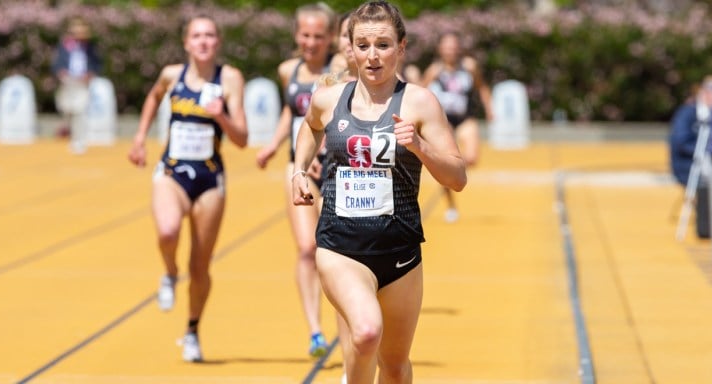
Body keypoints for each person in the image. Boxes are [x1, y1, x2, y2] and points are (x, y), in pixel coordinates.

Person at [292, 1, 467, 382]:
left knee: (395, 365)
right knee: (366, 331)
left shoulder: (419, 102)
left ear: (401, 48)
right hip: (341, 247)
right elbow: (310, 125)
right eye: (364, 45)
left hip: (401, 254)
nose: (372, 56)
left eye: (383, 45)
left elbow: (457, 177)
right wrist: (299, 169)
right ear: (350, 48)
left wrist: (421, 146)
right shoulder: (330, 97)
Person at [127, 15, 248, 362]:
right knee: (167, 231)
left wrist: (221, 115)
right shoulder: (171, 75)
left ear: (218, 41)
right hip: (172, 170)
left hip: (210, 178)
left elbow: (242, 138)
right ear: (186, 42)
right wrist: (139, 138)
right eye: (197, 35)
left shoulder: (230, 78)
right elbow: (153, 98)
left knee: (201, 265)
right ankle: (168, 273)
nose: (203, 41)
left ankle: (192, 330)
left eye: (210, 35)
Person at [254, 2, 337, 358]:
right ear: (296, 34)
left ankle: (346, 323)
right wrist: (273, 145)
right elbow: (291, 110)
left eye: (319, 35)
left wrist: (322, 153)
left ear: (331, 37)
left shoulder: (341, 69)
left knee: (334, 251)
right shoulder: (288, 70)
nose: (311, 42)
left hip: (333, 168)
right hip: (298, 168)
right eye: (305, 34)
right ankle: (315, 331)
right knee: (306, 248)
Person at [421, 31, 492, 223]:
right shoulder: (434, 70)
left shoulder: (469, 67)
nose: (450, 50)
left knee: (472, 158)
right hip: (444, 121)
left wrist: (489, 108)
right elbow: (419, 92)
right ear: (440, 49)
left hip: (465, 117)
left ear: (459, 48)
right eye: (446, 46)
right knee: (448, 160)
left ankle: (452, 169)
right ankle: (451, 204)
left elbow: (482, 87)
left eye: (453, 46)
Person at [669, 75, 712, 238]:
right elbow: (681, 141)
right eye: (708, 90)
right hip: (691, 165)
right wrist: (706, 151)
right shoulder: (688, 113)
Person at [51, 17, 102, 153]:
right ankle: (67, 130)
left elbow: (97, 64)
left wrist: (90, 75)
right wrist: (61, 73)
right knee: (66, 109)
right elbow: (57, 63)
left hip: (82, 83)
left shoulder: (90, 46)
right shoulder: (65, 45)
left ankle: (79, 140)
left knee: (80, 111)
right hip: (67, 81)